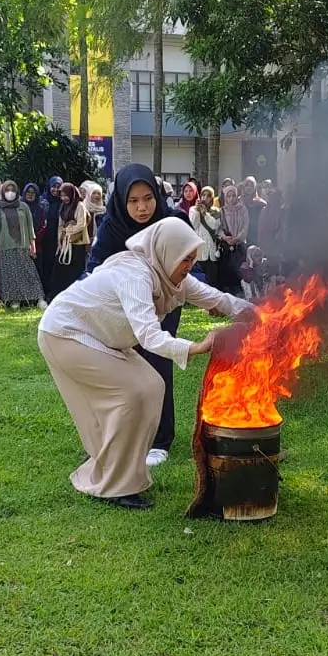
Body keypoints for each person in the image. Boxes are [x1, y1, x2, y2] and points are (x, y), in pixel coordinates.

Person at [38, 219, 254, 509]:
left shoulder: (170, 274)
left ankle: (116, 469)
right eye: (184, 257)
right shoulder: (135, 275)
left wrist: (263, 315)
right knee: (135, 391)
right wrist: (196, 347)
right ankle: (115, 485)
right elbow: (149, 336)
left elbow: (219, 299)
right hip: (64, 333)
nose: (189, 264)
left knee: (152, 386)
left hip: (98, 337)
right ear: (166, 251)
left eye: (192, 257)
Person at [88, 162, 192, 466]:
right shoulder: (111, 227)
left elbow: (188, 264)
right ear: (121, 201)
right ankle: (126, 433)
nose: (142, 208)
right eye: (133, 201)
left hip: (163, 305)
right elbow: (94, 269)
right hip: (123, 310)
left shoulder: (172, 221)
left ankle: (160, 440)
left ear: (157, 196)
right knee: (122, 368)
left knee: (158, 365)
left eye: (148, 198)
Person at [0, 180, 45, 309]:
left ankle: (38, 298)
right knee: (10, 274)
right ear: (3, 192)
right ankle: (14, 299)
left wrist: (32, 245)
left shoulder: (23, 206)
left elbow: (30, 227)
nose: (10, 193)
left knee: (29, 272)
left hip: (23, 245)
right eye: (7, 190)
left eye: (13, 190)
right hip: (6, 246)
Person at [48, 182, 90, 298]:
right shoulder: (63, 206)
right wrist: (60, 239)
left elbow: (81, 224)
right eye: (62, 196)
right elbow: (60, 225)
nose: (64, 198)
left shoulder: (80, 206)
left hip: (77, 243)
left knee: (75, 269)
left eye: (66, 195)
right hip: (65, 243)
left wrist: (68, 230)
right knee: (61, 268)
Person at [215, 180, 249, 296]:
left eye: (233, 195)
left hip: (240, 245)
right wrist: (225, 238)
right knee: (227, 269)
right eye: (228, 196)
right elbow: (218, 228)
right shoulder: (223, 211)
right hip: (227, 245)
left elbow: (245, 226)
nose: (231, 198)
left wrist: (237, 238)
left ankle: (240, 292)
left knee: (239, 269)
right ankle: (227, 292)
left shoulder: (242, 209)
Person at [187, 184, 223, 282]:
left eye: (208, 196)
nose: (205, 198)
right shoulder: (193, 210)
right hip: (199, 250)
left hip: (211, 251)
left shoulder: (216, 211)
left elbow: (215, 226)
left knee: (212, 281)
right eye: (203, 195)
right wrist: (197, 211)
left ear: (212, 198)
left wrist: (205, 214)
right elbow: (193, 225)